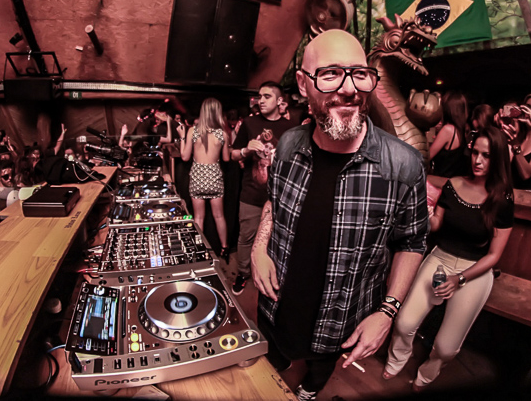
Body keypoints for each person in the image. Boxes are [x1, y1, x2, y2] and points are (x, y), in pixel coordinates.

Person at [251, 30, 428, 400]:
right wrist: (258, 248)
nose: (349, 89)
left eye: (359, 74)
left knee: (319, 370)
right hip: (277, 304)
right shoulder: (289, 144)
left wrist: (388, 312)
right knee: (270, 361)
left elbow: (411, 242)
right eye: (330, 73)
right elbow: (274, 202)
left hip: (340, 319)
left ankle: (310, 390)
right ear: (303, 84)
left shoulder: (403, 165)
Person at [384, 126, 514, 391]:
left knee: (445, 347)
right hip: (441, 258)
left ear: (498, 158)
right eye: (475, 153)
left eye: (486, 155)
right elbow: (437, 225)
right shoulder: (453, 185)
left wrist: (459, 279)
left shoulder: (503, 199)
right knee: (404, 322)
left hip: (475, 269)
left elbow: (494, 255)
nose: (478, 161)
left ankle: (426, 375)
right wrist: (423, 212)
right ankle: (397, 358)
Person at [230, 81, 299, 295]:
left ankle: (272, 276)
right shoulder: (249, 123)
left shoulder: (292, 128)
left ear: (279, 101)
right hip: (251, 194)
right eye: (259, 96)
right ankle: (243, 274)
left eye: (267, 96)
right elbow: (233, 154)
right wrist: (245, 150)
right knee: (246, 237)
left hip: (281, 197)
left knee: (278, 239)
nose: (261, 100)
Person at [178, 98, 231, 260]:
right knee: (219, 216)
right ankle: (225, 248)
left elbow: (185, 157)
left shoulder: (192, 131)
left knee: (199, 217)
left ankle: (199, 250)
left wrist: (182, 137)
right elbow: (226, 159)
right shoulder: (223, 134)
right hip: (214, 177)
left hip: (198, 177)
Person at [429, 91, 469, 178]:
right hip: (454, 181)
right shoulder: (462, 130)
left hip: (441, 181)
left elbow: (427, 156)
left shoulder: (448, 130)